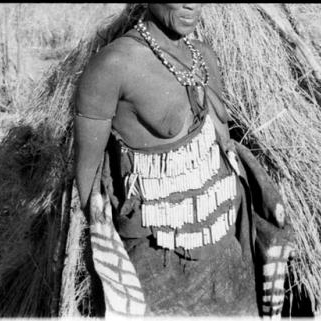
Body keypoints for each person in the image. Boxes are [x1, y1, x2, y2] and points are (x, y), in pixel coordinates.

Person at [74, 3, 294, 317]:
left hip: (226, 247)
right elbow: (87, 176)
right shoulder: (113, 65)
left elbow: (222, 143)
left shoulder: (204, 56)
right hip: (157, 256)